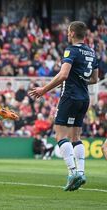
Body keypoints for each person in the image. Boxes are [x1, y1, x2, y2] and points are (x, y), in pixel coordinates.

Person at [29, 21, 99, 191]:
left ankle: (72, 172)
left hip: (70, 96)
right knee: (76, 136)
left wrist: (43, 90)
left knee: (60, 133)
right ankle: (81, 173)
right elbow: (94, 79)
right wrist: (79, 77)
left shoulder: (71, 50)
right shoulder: (91, 53)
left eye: (68, 32)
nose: (67, 34)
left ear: (73, 33)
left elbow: (64, 74)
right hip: (84, 97)